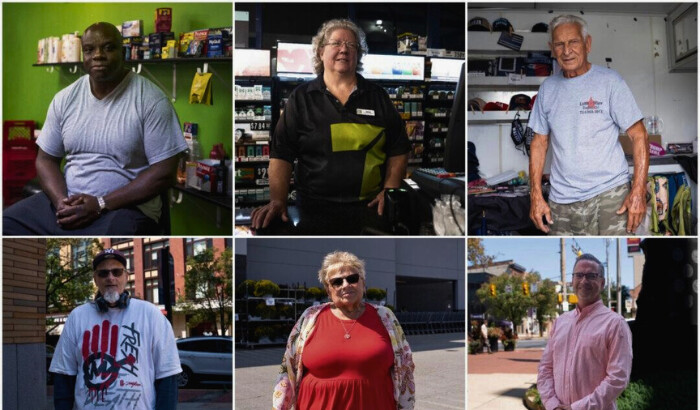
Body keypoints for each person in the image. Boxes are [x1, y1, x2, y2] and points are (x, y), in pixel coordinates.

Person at [3, 22, 187, 235]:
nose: (98, 55)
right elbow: (45, 160)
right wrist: (62, 203)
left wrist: (100, 203)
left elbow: (164, 173)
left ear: (124, 52)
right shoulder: (65, 99)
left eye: (108, 48)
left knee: (118, 233)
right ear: (83, 55)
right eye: (89, 50)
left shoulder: (151, 101)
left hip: (122, 208)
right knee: (7, 223)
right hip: (69, 202)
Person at [251, 18, 410, 234]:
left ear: (359, 54)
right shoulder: (301, 98)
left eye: (351, 45)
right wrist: (277, 201)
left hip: (370, 208)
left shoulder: (378, 97)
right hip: (314, 209)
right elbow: (282, 154)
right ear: (320, 52)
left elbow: (398, 148)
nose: (344, 49)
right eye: (336, 43)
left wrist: (390, 190)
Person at [528, 15, 649, 236]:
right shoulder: (547, 89)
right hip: (561, 200)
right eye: (559, 44)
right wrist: (535, 194)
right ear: (551, 49)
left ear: (588, 44)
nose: (566, 51)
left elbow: (639, 135)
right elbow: (538, 142)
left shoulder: (610, 81)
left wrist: (638, 190)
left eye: (573, 42)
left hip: (610, 195)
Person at [272, 251, 415, 409]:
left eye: (352, 278)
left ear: (363, 283)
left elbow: (406, 366)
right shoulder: (310, 317)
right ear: (328, 290)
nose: (346, 285)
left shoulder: (385, 317)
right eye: (337, 282)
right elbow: (288, 370)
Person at [49, 248, 182, 409]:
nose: (110, 278)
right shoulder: (77, 317)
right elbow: (64, 376)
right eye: (103, 273)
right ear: (95, 279)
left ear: (126, 276)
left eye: (117, 272)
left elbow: (167, 377)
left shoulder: (151, 314)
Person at [537, 254, 633, 410]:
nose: (584, 281)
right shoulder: (560, 322)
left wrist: (577, 408)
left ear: (602, 283)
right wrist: (552, 405)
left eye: (591, 276)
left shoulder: (615, 324)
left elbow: (617, 378)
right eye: (579, 275)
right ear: (572, 281)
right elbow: (545, 368)